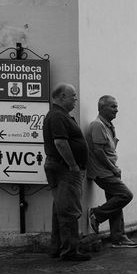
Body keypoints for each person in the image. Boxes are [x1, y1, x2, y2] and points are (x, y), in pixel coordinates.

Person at [86, 95, 137, 248]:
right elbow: (98, 152)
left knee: (115, 203)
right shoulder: (98, 125)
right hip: (103, 172)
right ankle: (97, 214)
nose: (117, 110)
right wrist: (113, 168)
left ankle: (118, 238)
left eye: (116, 106)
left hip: (109, 170)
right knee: (125, 195)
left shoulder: (107, 125)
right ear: (102, 108)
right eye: (113, 106)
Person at [43, 84, 90, 262]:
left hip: (60, 166)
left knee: (60, 208)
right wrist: (73, 165)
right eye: (73, 96)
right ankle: (70, 250)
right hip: (64, 168)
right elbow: (60, 143)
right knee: (68, 209)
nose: (76, 99)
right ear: (62, 96)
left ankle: (57, 247)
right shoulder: (57, 116)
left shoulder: (59, 115)